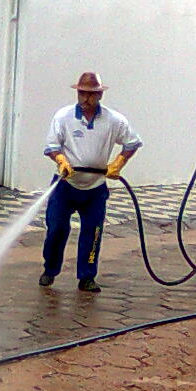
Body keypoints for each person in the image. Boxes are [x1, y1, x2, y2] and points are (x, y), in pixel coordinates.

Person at [41, 72, 142, 293]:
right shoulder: (63, 117)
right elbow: (52, 145)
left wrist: (118, 163)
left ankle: (87, 276)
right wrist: (61, 160)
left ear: (100, 95)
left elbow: (132, 142)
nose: (86, 98)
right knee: (57, 228)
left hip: (95, 188)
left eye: (91, 94)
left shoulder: (114, 120)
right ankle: (50, 269)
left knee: (93, 231)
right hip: (65, 185)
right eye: (82, 93)